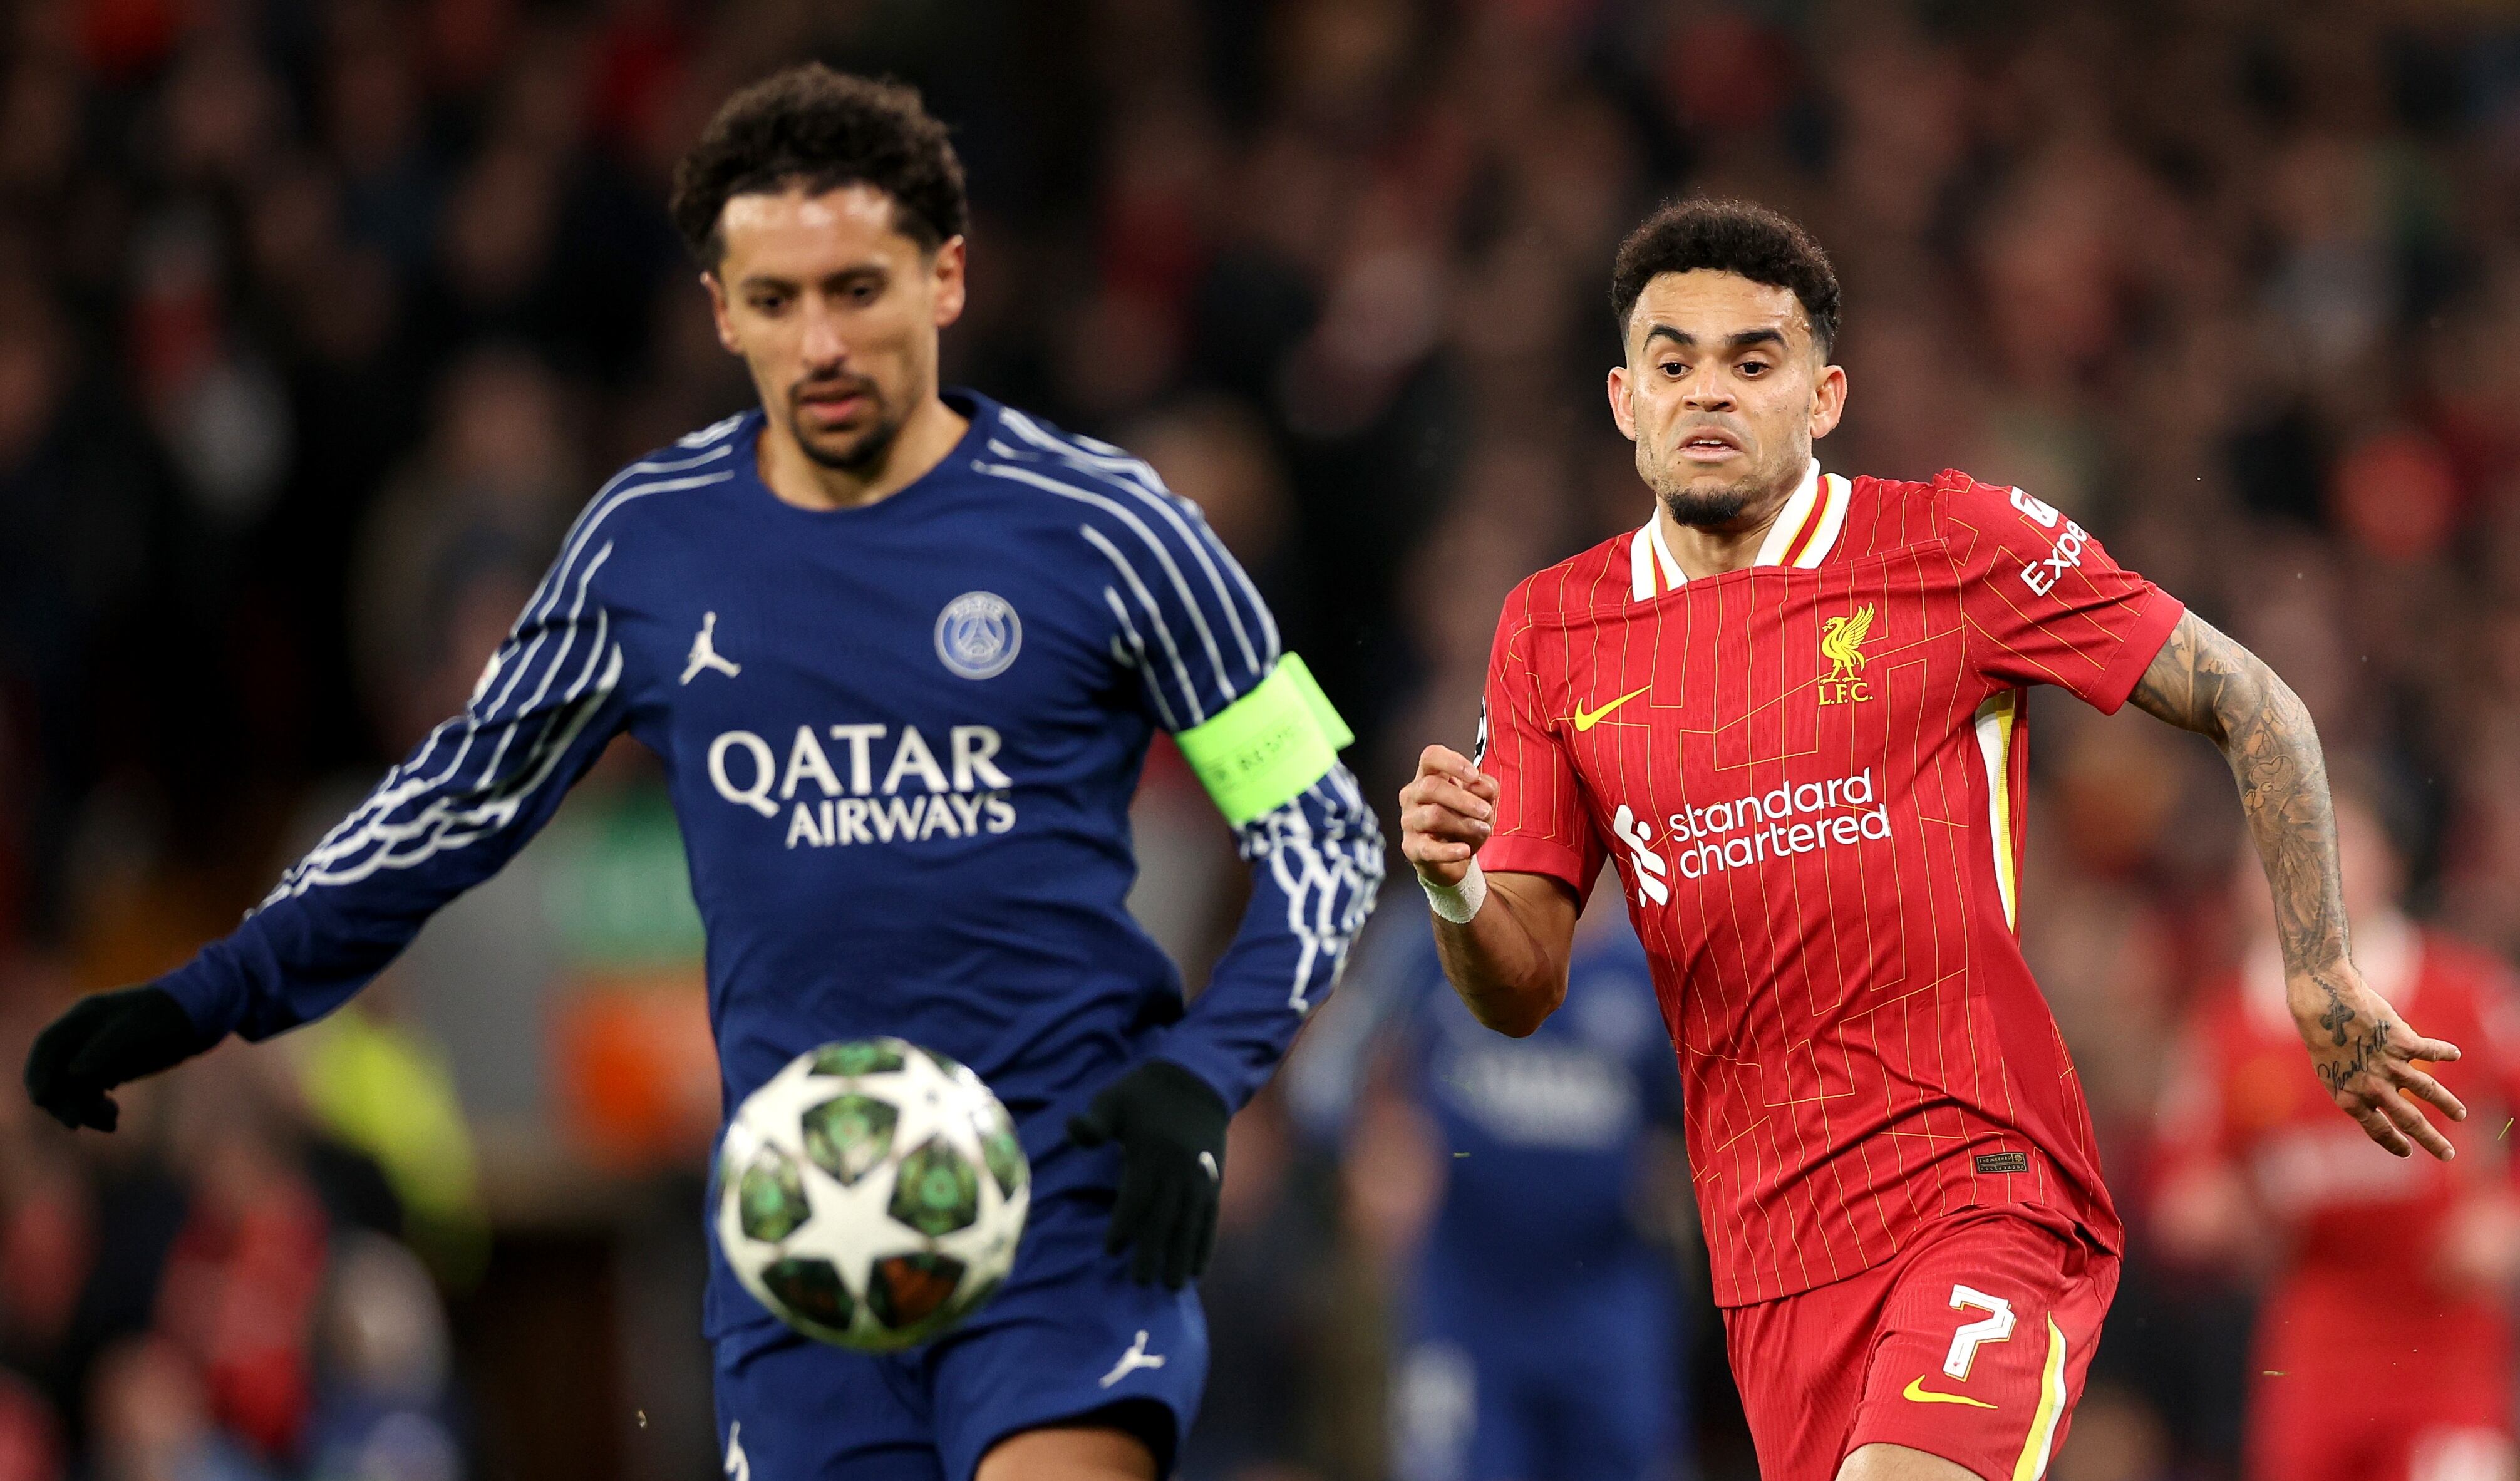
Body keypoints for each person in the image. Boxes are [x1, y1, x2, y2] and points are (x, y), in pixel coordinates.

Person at [23, 65, 1384, 1481]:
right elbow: (446, 809)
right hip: (799, 1238)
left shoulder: (1117, 529)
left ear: (947, 277)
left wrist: (1199, 1072)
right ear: (720, 308)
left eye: (858, 287)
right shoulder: (646, 546)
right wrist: (206, 991)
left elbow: (1321, 837)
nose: (821, 342)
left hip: (1060, 1212)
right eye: (776, 299)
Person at [1393, 198, 2467, 1481]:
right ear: (1624, 399)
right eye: (1672, 362)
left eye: (1753, 361)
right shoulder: (1551, 630)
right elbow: (1518, 989)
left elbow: (2255, 702)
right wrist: (1454, 889)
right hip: (1768, 1259)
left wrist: (2317, 965)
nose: (1707, 393)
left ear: (1824, 394)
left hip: (1982, 1192)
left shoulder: (1946, 544)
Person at [2153, 790, 2520, 1481]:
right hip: (2310, 1349)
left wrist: (2508, 1210)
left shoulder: (2461, 994)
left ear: (2390, 863)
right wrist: (2213, 1211)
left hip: (2445, 1342)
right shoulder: (2228, 1027)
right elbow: (2185, 1186)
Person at [1299, 870, 1693, 1481]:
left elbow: (1716, 1108)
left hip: (1607, 1296)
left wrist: (1684, 1172)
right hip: (1464, 1297)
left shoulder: (1658, 947)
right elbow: (1322, 1080)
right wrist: (1373, 1146)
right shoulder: (1428, 932)